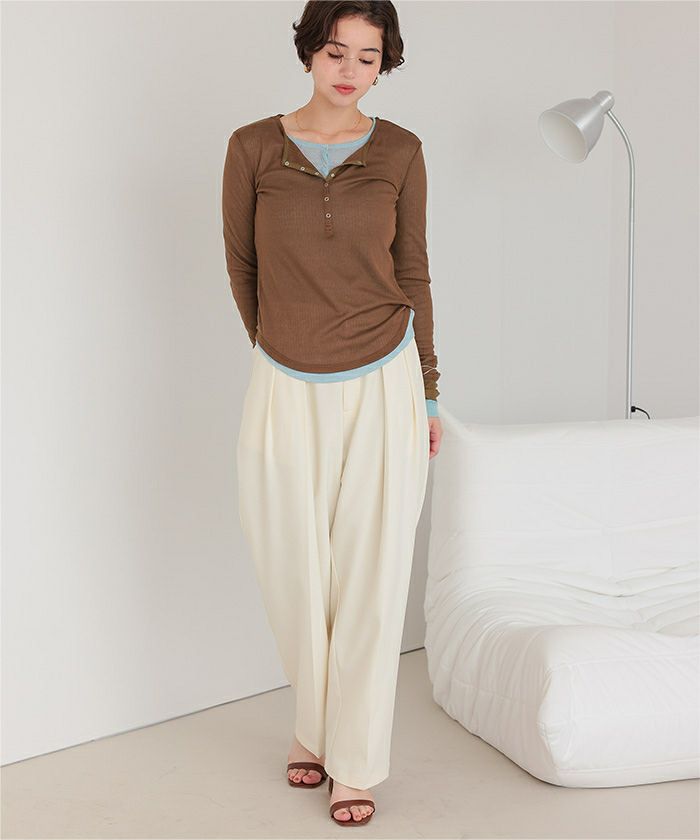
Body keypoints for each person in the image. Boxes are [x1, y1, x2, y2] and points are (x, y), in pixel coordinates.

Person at [221, 0, 442, 826]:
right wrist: (278, 341)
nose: (349, 70)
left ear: (385, 64)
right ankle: (312, 724)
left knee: (372, 575)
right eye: (336, 51)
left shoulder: (401, 151)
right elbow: (242, 265)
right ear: (310, 52)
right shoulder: (252, 147)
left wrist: (428, 389)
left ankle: (353, 761)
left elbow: (413, 272)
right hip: (283, 377)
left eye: (368, 57)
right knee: (292, 566)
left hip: (385, 374)